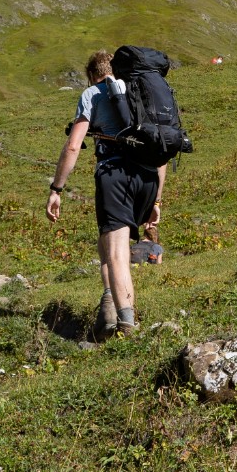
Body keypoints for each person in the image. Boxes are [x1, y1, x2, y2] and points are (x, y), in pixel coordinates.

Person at [46, 50, 162, 337]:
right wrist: (157, 199)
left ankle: (126, 325)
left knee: (116, 252)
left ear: (93, 75)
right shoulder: (142, 92)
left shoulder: (93, 94)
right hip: (148, 177)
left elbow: (74, 146)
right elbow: (161, 147)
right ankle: (109, 306)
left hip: (115, 176)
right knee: (107, 241)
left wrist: (56, 189)